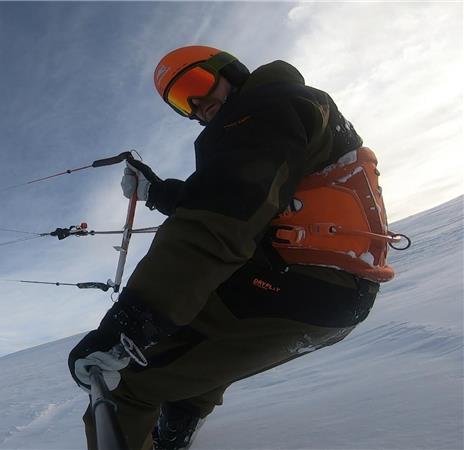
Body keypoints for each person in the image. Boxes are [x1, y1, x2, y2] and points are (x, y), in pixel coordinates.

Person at [68, 45, 396, 450]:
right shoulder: (295, 110)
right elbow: (245, 197)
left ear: (231, 71)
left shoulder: (264, 107)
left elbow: (217, 220)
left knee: (127, 383)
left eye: (196, 83)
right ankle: (178, 425)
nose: (197, 105)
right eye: (180, 101)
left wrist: (131, 324)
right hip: (333, 291)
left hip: (295, 287)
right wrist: (155, 192)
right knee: (199, 344)